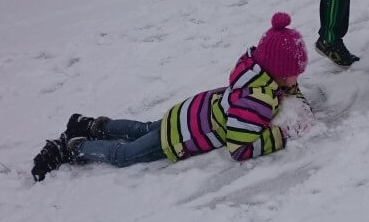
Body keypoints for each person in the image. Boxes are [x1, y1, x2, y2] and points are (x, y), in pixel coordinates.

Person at [31, 13, 313, 182]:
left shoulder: (252, 70)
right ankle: (73, 148)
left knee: (140, 128)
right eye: (294, 74)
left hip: (186, 114)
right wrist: (280, 135)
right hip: (180, 137)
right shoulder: (256, 101)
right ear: (278, 73)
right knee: (124, 154)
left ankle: (92, 125)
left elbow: (283, 87)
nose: (297, 79)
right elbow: (239, 147)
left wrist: (293, 95)